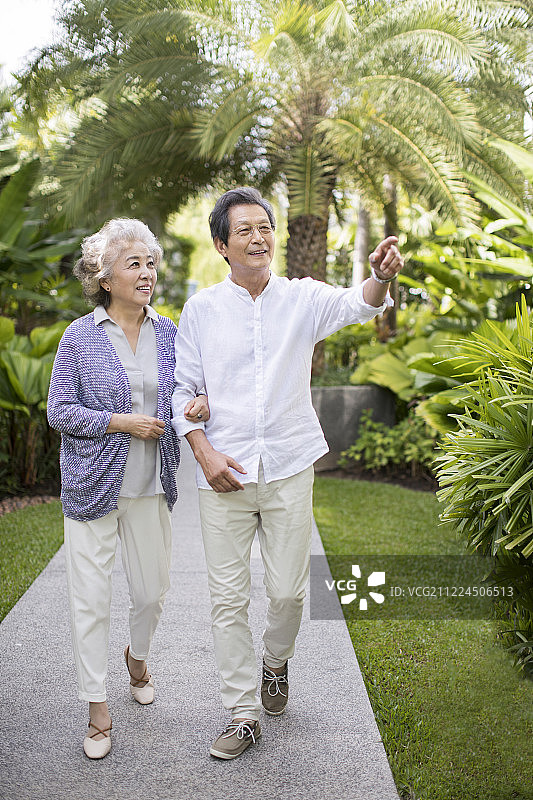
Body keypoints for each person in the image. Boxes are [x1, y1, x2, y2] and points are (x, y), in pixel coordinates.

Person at [171, 187, 404, 759]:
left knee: (289, 594)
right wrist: (202, 450)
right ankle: (241, 712)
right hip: (223, 473)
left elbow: (359, 303)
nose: (259, 238)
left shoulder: (302, 298)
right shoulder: (201, 310)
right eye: (244, 230)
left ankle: (276, 662)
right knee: (227, 600)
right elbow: (183, 389)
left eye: (265, 227)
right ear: (222, 245)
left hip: (288, 465)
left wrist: (380, 276)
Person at [47, 218, 209, 760]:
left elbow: (189, 390)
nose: (146, 273)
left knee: (151, 592)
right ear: (104, 277)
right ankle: (96, 708)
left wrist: (198, 404)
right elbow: (59, 411)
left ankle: (136, 657)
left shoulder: (169, 333)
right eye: (133, 264)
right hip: (92, 487)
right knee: (90, 599)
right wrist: (119, 422)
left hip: (151, 485)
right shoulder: (79, 336)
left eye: (150, 263)